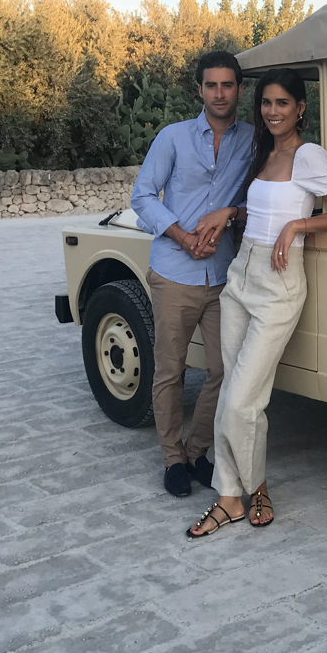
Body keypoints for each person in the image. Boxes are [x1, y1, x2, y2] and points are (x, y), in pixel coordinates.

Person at [187, 67, 327, 537]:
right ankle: (234, 497)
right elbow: (263, 207)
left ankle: (249, 488)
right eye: (266, 103)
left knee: (240, 399)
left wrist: (298, 226)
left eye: (283, 103)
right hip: (240, 274)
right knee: (240, 397)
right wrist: (231, 210)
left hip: (279, 283)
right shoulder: (263, 151)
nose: (273, 111)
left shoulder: (308, 155)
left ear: (300, 108)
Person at [130, 51, 253, 499]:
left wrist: (231, 213)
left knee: (223, 370)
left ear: (239, 89)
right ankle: (172, 459)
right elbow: (142, 196)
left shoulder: (253, 142)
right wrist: (183, 236)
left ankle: (198, 451)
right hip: (175, 272)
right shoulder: (173, 137)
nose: (220, 93)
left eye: (228, 85)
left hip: (223, 276)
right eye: (211, 85)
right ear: (199, 90)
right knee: (170, 371)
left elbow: (264, 197)